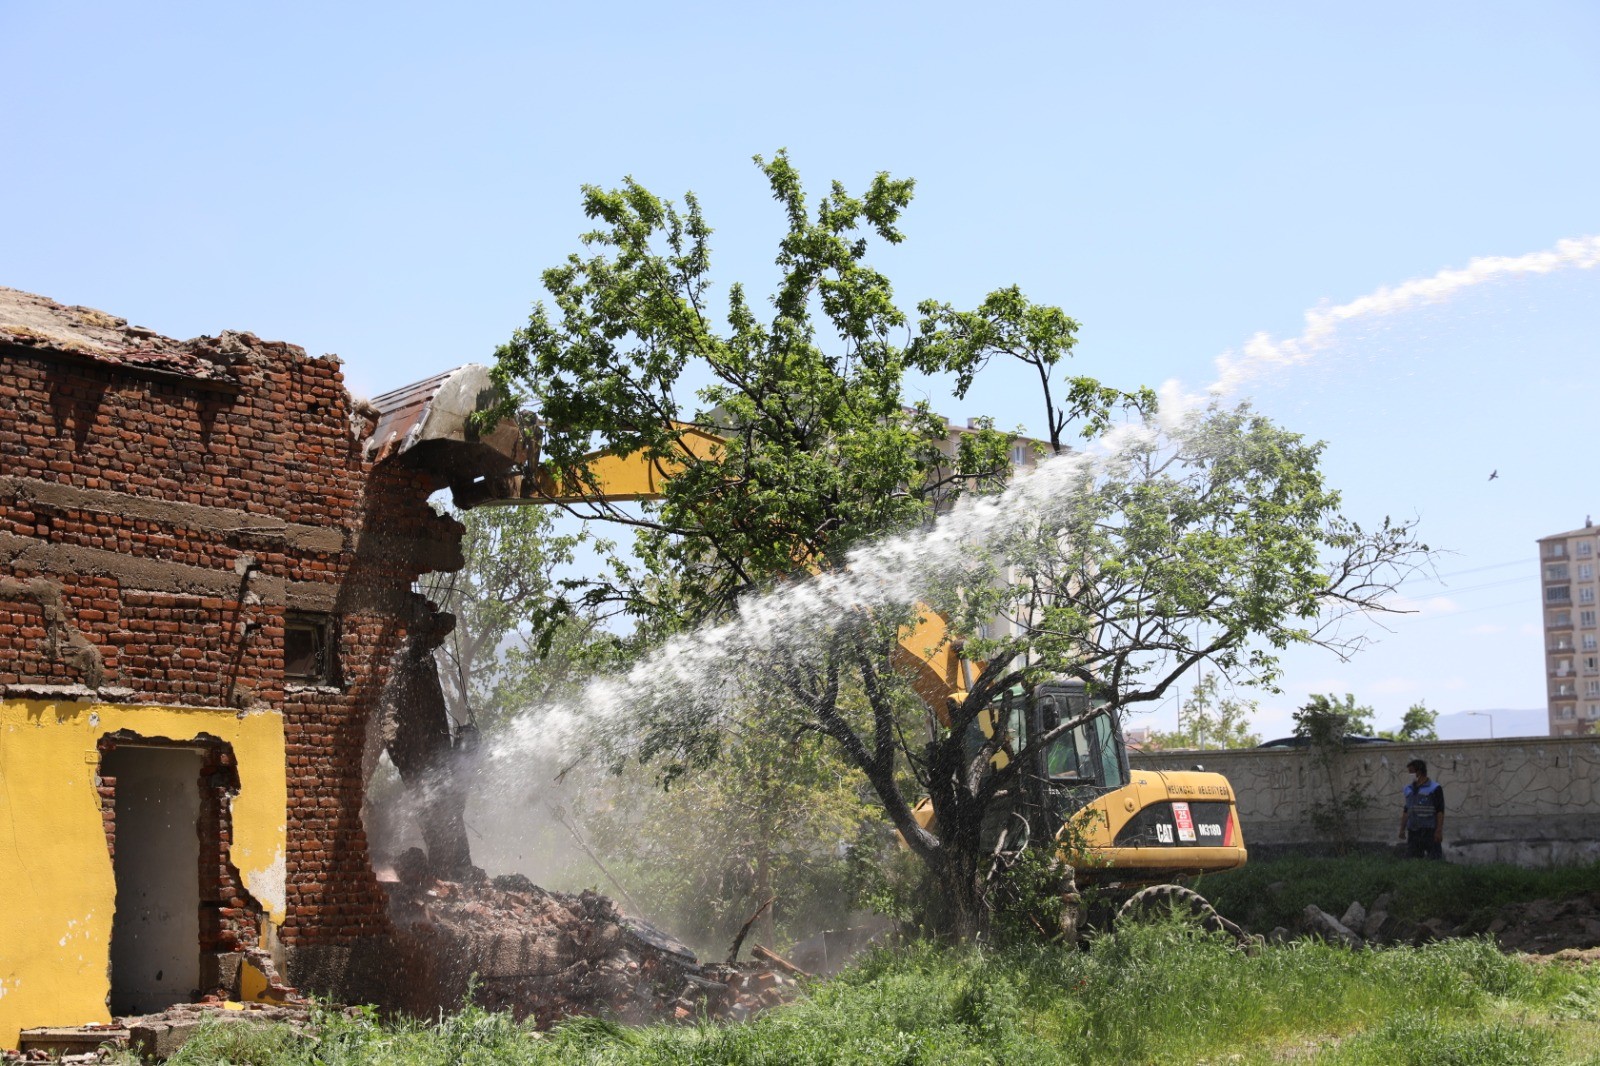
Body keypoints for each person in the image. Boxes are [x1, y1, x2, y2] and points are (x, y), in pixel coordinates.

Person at [1398, 758, 1444, 859]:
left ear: (1419, 772)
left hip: (1429, 831)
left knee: (1434, 859)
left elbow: (1440, 811)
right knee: (1413, 860)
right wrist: (1402, 829)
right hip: (1413, 831)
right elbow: (1406, 810)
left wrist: (1439, 830)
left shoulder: (1435, 788)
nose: (1410, 775)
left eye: (1411, 772)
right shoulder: (1408, 789)